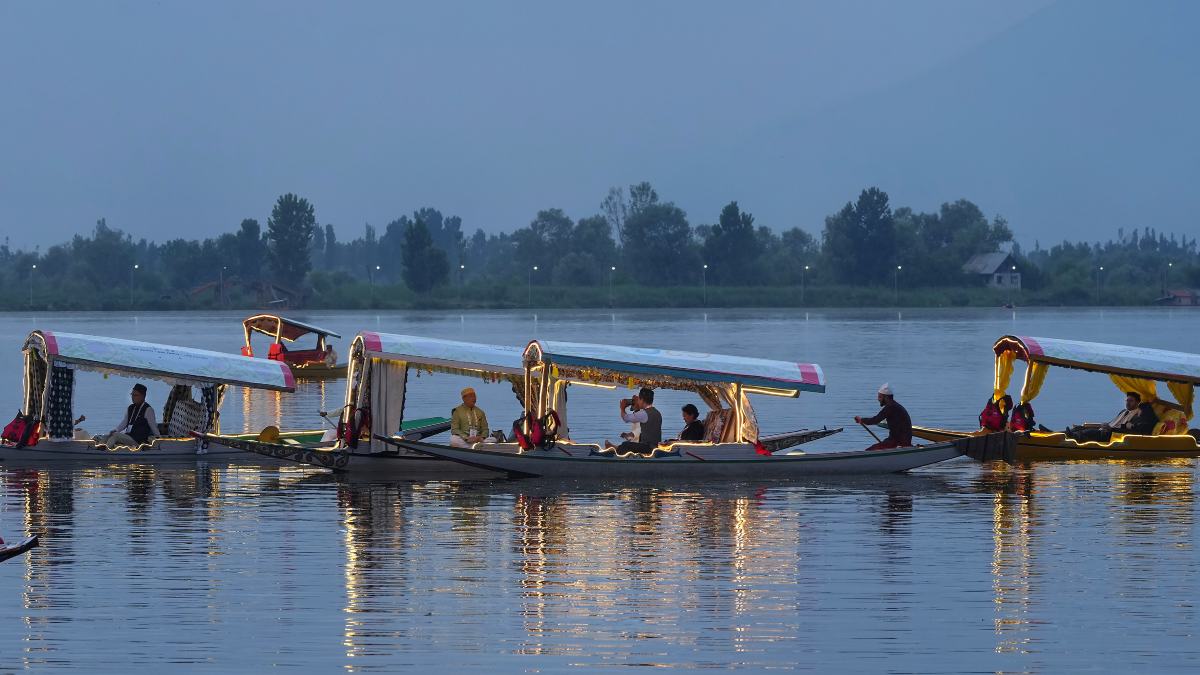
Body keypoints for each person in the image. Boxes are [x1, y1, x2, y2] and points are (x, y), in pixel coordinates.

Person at [1067, 391, 1166, 442]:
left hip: (1111, 434)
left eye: (1131, 401)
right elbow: (1112, 423)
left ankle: (1072, 437)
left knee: (1088, 432)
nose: (1127, 403)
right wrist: (1090, 425)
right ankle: (1058, 434)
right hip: (1107, 429)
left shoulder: (1137, 415)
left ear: (1137, 402)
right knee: (1079, 428)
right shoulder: (1123, 411)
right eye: (1127, 400)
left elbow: (1129, 430)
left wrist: (1110, 429)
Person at [854, 383, 912, 451]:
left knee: (869, 451)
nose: (878, 399)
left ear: (886, 397)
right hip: (900, 440)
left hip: (897, 442)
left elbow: (875, 420)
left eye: (880, 397)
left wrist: (862, 420)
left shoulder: (890, 407)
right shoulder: (895, 406)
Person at [605, 387, 662, 454]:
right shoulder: (657, 413)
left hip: (647, 447)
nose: (638, 402)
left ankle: (614, 449)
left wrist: (622, 408)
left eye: (639, 400)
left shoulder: (644, 413)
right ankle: (616, 448)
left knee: (626, 444)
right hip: (655, 446)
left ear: (642, 400)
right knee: (630, 444)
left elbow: (626, 418)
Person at [98, 383, 157, 448]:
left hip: (138, 441)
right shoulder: (130, 408)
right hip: (129, 436)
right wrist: (115, 430)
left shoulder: (148, 410)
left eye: (135, 395)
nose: (133, 397)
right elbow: (124, 422)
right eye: (132, 395)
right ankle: (98, 449)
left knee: (115, 436)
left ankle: (105, 451)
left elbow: (153, 427)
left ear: (143, 396)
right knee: (107, 436)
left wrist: (159, 440)